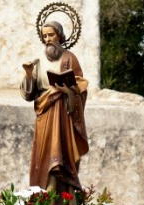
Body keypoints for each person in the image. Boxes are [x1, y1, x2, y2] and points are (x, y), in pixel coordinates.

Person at [20, 20, 88, 194]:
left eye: (51, 35)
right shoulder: (38, 61)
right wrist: (28, 75)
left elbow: (80, 86)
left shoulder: (69, 58)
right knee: (43, 156)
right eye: (44, 36)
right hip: (44, 112)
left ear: (60, 36)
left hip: (64, 116)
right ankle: (43, 194)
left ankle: (62, 196)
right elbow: (28, 95)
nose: (47, 39)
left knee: (61, 157)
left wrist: (68, 91)